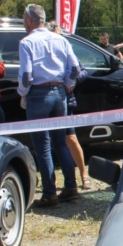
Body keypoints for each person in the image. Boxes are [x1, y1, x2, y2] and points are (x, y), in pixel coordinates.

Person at [17, 4, 81, 208]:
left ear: (28, 21)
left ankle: (49, 193)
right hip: (59, 92)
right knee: (60, 142)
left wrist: (23, 93)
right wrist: (69, 85)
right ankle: (71, 187)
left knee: (43, 146)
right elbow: (75, 67)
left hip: (38, 94)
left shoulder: (27, 42)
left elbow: (26, 74)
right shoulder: (60, 39)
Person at [47, 22, 90, 189]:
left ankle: (83, 175)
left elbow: (82, 71)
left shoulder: (66, 50)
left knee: (70, 138)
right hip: (48, 98)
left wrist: (71, 83)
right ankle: (51, 181)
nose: (60, 38)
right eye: (57, 35)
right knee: (48, 141)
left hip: (66, 99)